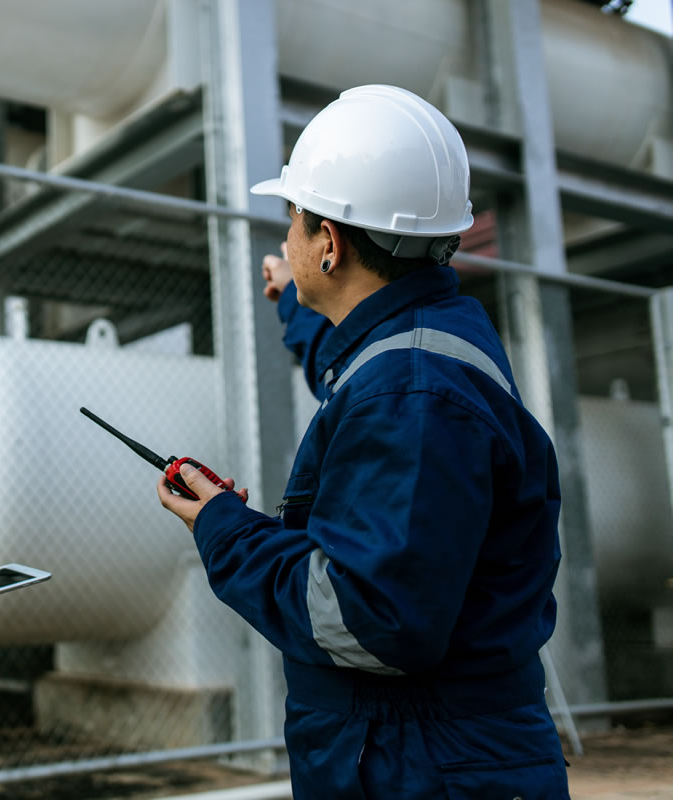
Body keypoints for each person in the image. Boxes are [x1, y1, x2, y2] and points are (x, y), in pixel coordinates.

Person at [158, 85, 570, 798]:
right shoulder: (432, 340)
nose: (284, 236)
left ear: (330, 242)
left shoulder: (409, 392)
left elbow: (367, 621)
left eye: (293, 218)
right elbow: (355, 360)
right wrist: (297, 295)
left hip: (420, 765)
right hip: (446, 753)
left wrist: (225, 530)